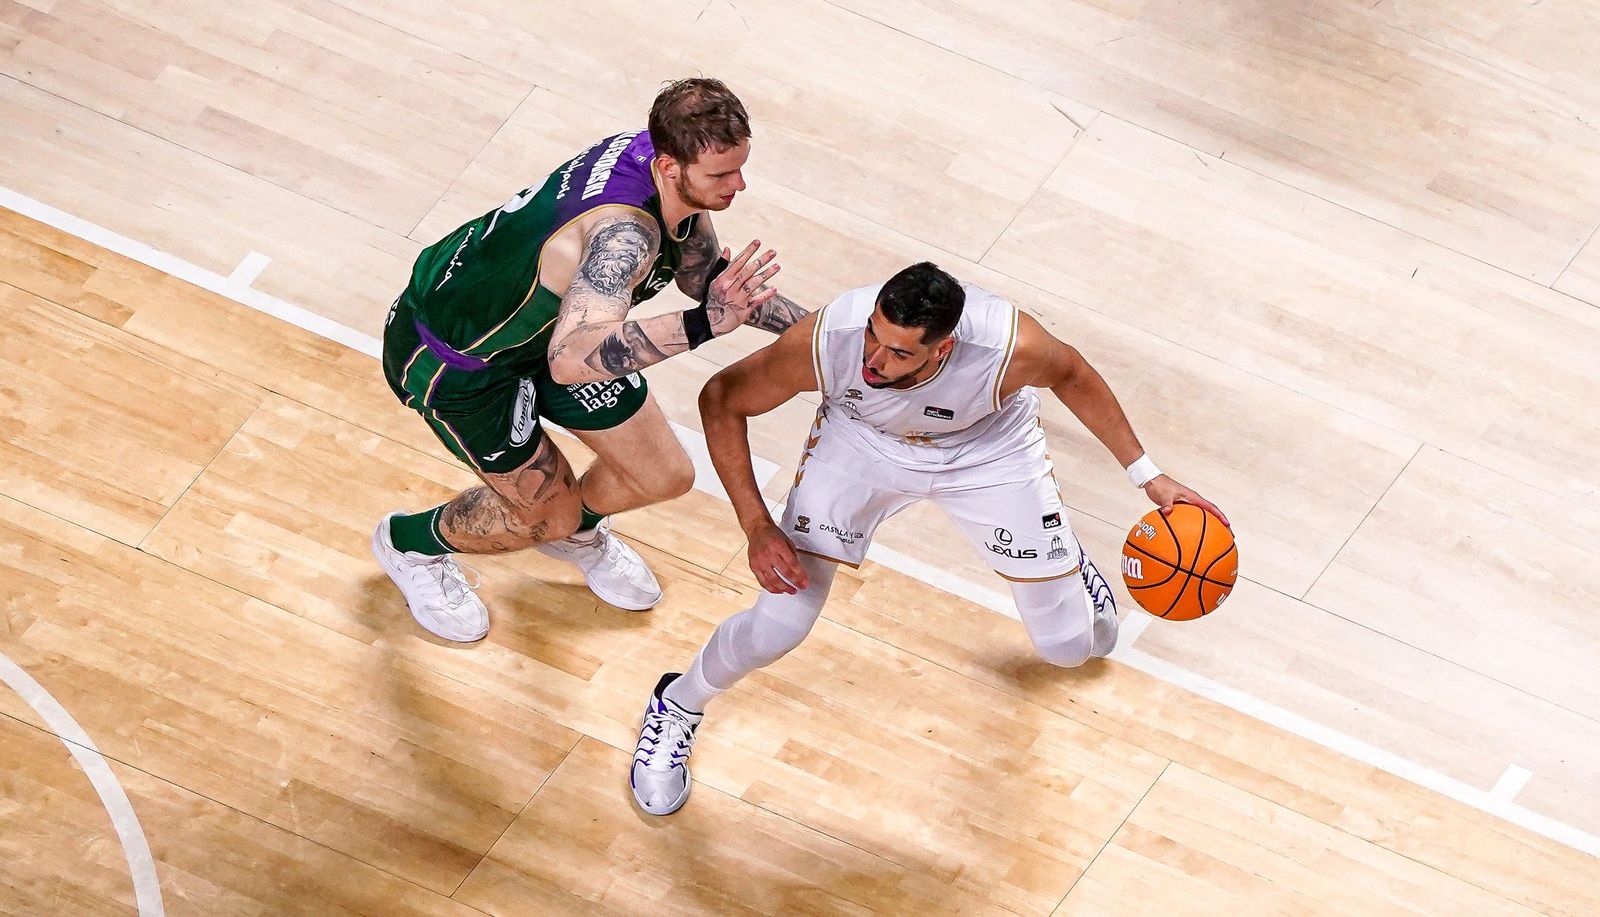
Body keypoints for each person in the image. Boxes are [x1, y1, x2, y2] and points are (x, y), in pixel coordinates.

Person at [629, 261, 1228, 815]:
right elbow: (722, 399)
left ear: (945, 346)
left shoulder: (1007, 347)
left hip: (986, 452)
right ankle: (679, 703)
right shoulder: (828, 339)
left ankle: (1064, 559)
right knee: (782, 621)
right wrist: (757, 526)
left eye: (897, 352)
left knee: (1074, 649)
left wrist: (1147, 476)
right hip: (862, 444)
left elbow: (1073, 375)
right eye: (874, 335)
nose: (873, 359)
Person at [372, 78, 808, 642]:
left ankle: (575, 533)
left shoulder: (661, 163)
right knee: (541, 515)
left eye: (739, 168)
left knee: (663, 475)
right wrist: (704, 325)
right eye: (721, 176)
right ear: (671, 165)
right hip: (460, 365)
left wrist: (828, 336)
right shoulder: (623, 234)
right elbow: (575, 360)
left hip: (552, 334)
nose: (738, 185)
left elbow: (702, 277)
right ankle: (410, 544)